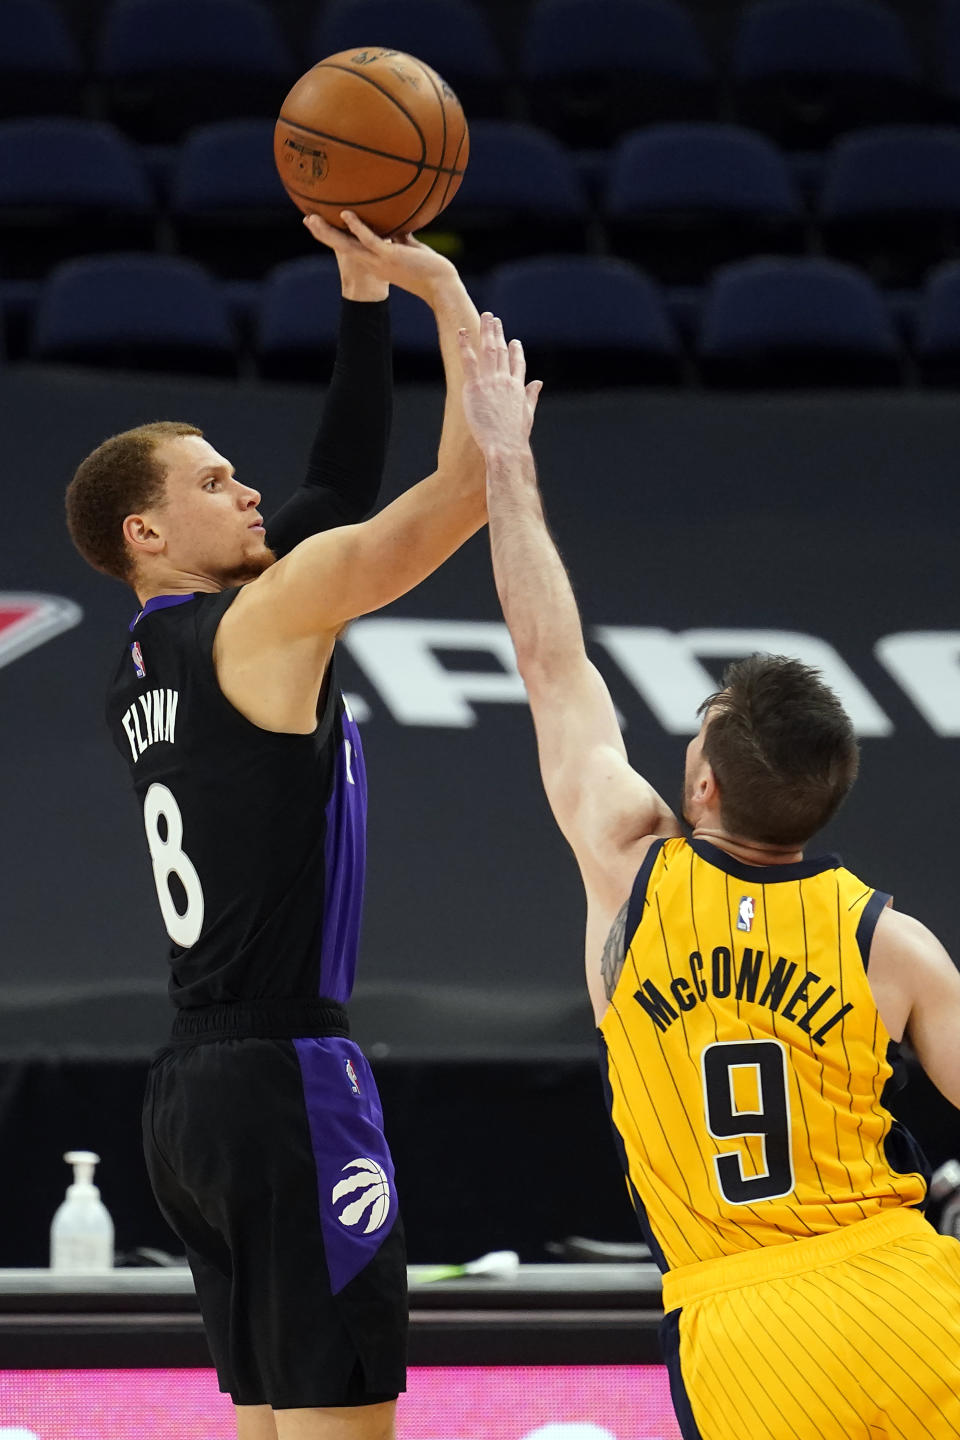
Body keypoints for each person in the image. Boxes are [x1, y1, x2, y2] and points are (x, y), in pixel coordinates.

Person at [458, 312, 960, 1440]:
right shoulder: (893, 942)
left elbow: (550, 661)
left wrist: (506, 460)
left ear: (705, 792)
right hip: (916, 1298)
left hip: (744, 1328)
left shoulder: (630, 866)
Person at [64, 212, 488, 1440]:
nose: (246, 488)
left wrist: (361, 303)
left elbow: (333, 486)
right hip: (291, 1082)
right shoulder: (256, 629)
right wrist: (443, 295)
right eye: (211, 481)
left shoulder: (149, 658)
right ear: (145, 533)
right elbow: (454, 494)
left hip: (193, 1099)